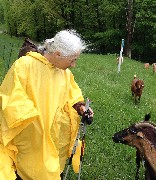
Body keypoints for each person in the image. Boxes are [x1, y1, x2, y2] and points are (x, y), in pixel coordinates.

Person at [0, 29, 93, 180]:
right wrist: (36, 120)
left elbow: (73, 94)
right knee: (34, 169)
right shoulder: (25, 65)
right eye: (72, 60)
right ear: (57, 54)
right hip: (33, 139)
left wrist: (80, 107)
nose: (74, 65)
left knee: (55, 165)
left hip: (58, 136)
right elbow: (10, 96)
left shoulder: (65, 72)